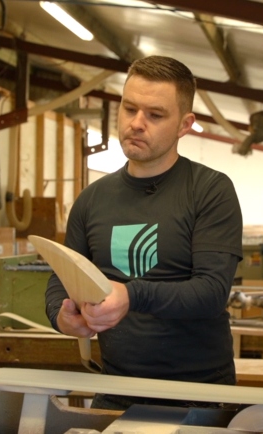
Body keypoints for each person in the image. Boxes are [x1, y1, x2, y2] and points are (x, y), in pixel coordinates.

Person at [45, 55, 243, 410]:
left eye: (155, 115)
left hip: (199, 396)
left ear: (185, 125)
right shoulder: (93, 199)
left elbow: (212, 292)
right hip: (117, 389)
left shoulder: (210, 190)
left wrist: (132, 296)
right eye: (129, 108)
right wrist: (62, 317)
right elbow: (61, 277)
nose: (136, 123)